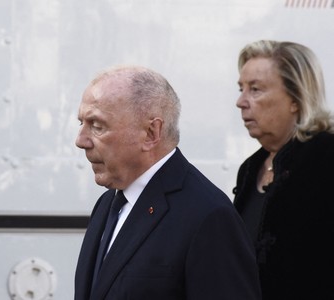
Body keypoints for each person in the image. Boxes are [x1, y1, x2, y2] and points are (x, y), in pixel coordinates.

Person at [74, 65, 261, 300]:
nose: (81, 140)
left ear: (151, 133)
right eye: (81, 123)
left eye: (97, 126)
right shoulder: (108, 203)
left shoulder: (208, 216)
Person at [234, 40, 334, 299]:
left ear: (296, 98)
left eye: (255, 89)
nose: (241, 102)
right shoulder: (250, 169)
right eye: (241, 88)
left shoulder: (326, 157)